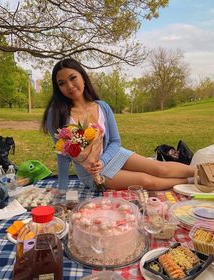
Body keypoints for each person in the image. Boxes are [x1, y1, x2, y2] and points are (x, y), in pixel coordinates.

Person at [42, 58, 195, 191]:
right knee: (146, 181)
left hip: (113, 155)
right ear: (58, 88)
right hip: (92, 172)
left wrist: (102, 160)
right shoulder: (56, 114)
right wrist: (62, 190)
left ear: (82, 76)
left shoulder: (102, 106)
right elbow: (63, 155)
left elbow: (115, 142)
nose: (69, 86)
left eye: (72, 78)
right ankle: (191, 182)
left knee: (159, 168)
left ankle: (202, 171)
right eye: (62, 83)